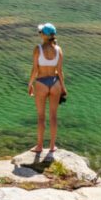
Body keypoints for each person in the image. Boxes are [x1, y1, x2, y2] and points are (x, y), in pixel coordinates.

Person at [27, 22, 66, 153]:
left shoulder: (38, 49)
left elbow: (35, 69)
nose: (39, 34)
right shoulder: (58, 50)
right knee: (53, 116)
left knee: (41, 116)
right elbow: (60, 71)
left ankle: (39, 146)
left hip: (41, 83)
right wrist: (64, 88)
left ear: (44, 35)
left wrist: (30, 83)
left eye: (41, 32)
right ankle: (52, 146)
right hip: (55, 83)